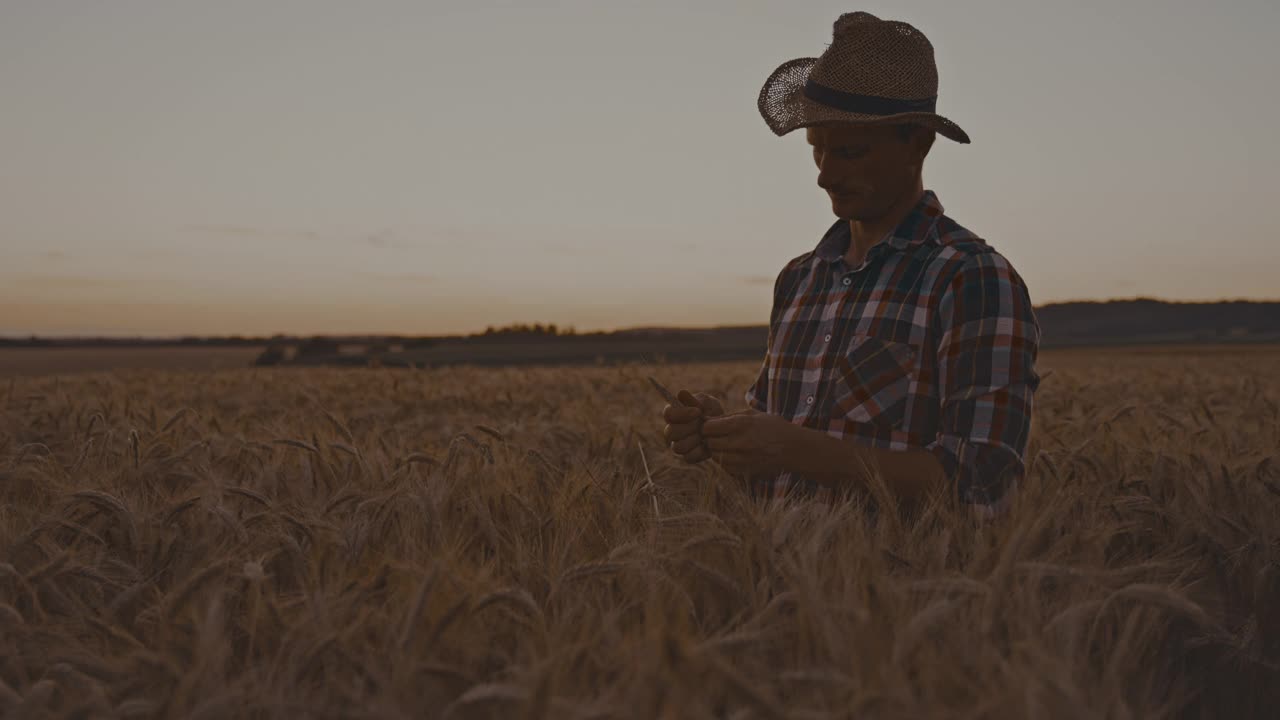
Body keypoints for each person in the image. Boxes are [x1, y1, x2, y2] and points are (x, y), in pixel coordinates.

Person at [661, 12, 1040, 515]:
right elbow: (781, 449)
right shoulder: (799, 279)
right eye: (817, 150)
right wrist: (726, 435)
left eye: (851, 151)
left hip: (911, 591)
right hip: (781, 586)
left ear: (918, 143)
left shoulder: (971, 278)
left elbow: (981, 486)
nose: (825, 175)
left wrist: (792, 449)